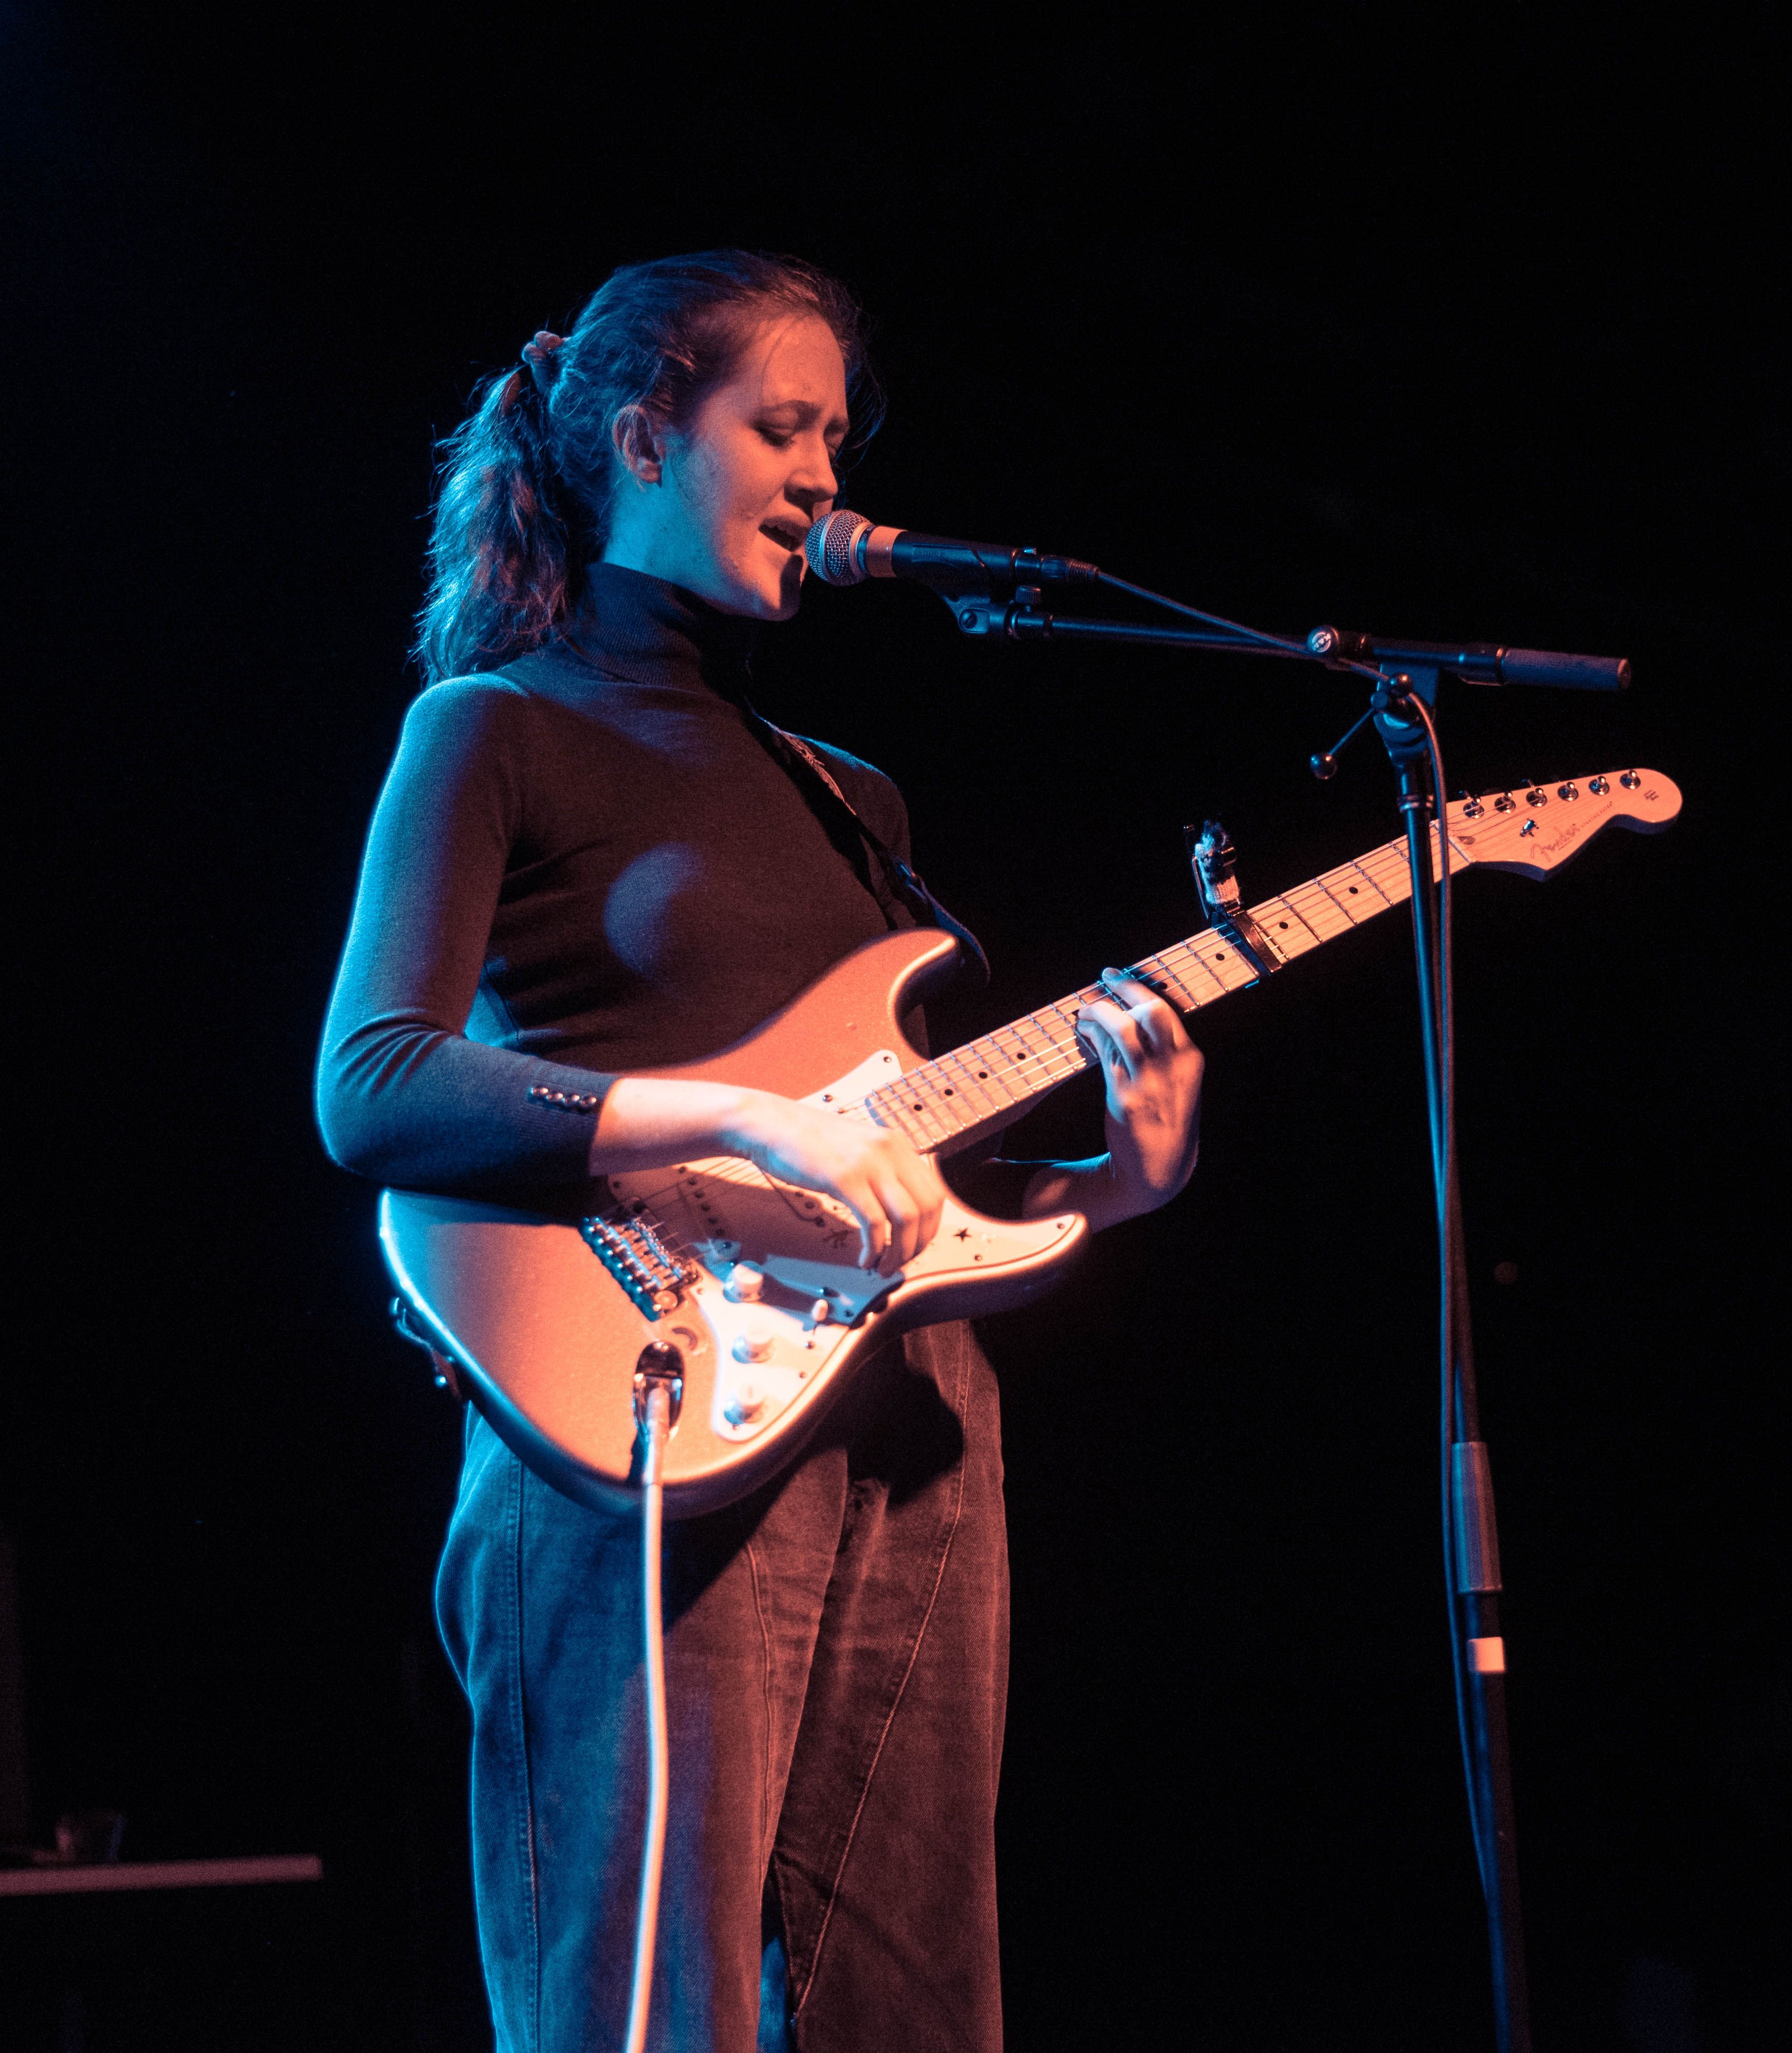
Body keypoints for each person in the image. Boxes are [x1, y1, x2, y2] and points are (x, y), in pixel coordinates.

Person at [316, 252, 1202, 2053]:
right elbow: (376, 1083)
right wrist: (723, 1110)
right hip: (633, 1413)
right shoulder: (495, 727)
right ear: (647, 437)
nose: (826, 477)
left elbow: (899, 1170)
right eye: (781, 429)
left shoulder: (846, 789)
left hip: (913, 1417)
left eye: (838, 438)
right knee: (645, 2008)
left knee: (923, 2000)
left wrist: (1114, 1179)